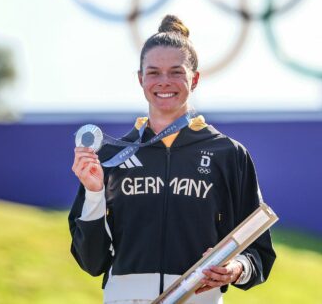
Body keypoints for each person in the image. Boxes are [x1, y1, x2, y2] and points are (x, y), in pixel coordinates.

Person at [69, 15, 276, 303]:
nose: (164, 82)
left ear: (195, 79)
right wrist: (94, 194)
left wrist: (236, 268)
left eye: (176, 72)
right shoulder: (110, 157)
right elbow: (91, 261)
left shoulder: (228, 155)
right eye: (153, 72)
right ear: (140, 79)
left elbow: (259, 252)